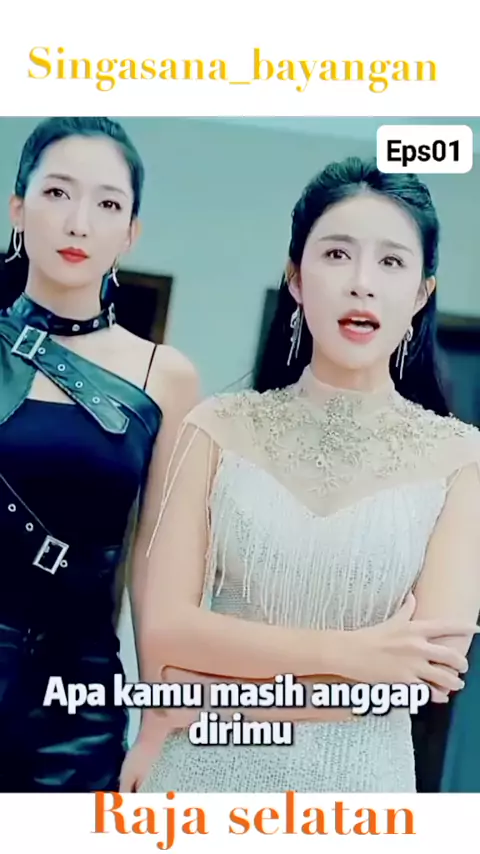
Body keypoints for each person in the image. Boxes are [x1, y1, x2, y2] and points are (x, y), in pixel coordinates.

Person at [124, 157, 480, 794]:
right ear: (295, 276)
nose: (362, 283)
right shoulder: (216, 429)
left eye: (391, 262)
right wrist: (358, 657)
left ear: (421, 293)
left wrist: (212, 687)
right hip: (200, 785)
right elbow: (165, 634)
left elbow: (423, 677)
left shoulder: (460, 458)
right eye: (337, 254)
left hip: (361, 793)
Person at [0, 116, 199, 792]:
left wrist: (158, 719)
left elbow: (155, 562)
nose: (79, 223)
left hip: (79, 698)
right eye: (57, 193)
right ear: (18, 207)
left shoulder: (164, 377)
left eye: (108, 203)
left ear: (131, 232)